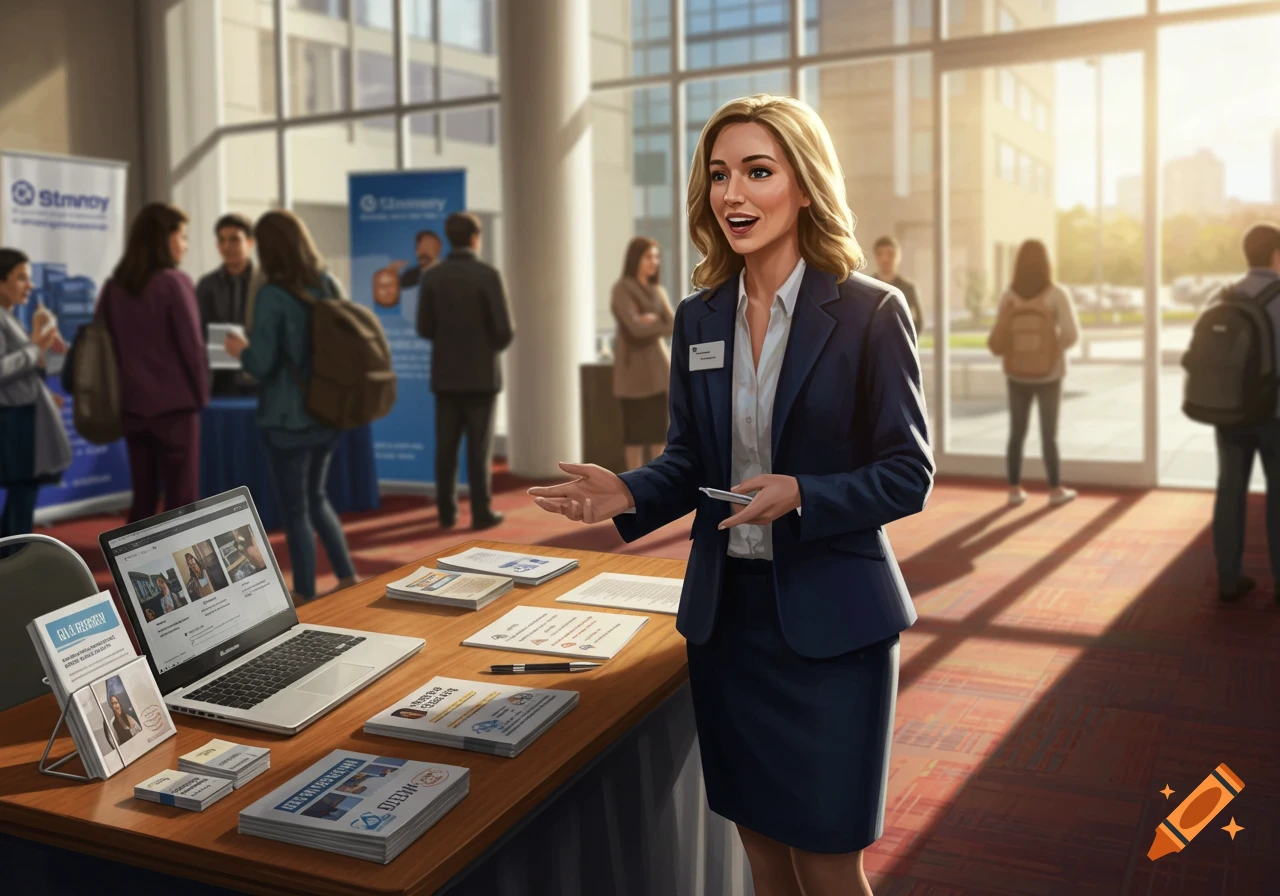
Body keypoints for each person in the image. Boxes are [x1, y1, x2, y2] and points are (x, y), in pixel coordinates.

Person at [529, 94, 933, 896]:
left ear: (805, 186)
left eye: (758, 171)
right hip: (729, 626)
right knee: (762, 858)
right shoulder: (698, 316)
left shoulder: (869, 313)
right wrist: (627, 491)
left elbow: (907, 471)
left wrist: (803, 493)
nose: (733, 194)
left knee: (826, 864)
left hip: (832, 627)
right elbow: (690, 458)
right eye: (719, 175)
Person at [223, 210, 359, 603]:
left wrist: (240, 351)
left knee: (296, 508)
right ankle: (347, 574)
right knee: (317, 497)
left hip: (287, 419)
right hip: (327, 412)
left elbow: (262, 364)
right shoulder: (328, 283)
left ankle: (304, 589)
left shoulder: (272, 294)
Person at [97, 203, 209, 524]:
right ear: (165, 238)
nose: (185, 245)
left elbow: (104, 346)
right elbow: (193, 348)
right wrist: (201, 398)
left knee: (142, 497)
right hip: (175, 410)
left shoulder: (113, 287)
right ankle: (183, 573)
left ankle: (132, 570)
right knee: (181, 499)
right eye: (183, 236)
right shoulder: (175, 282)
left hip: (131, 407)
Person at [416, 212, 515, 530]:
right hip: (482, 377)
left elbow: (424, 327)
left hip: (445, 376)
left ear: (447, 239)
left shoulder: (432, 277)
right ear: (476, 238)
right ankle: (481, 512)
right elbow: (504, 331)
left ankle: (446, 512)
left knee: (445, 448)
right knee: (479, 449)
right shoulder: (488, 275)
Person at [1211, 223, 1280, 603]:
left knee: (1230, 491)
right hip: (1275, 415)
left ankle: (1228, 577)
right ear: (1276, 255)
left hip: (1231, 413)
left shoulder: (1223, 296)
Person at [990, 239, 1079, 508]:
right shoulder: (1056, 294)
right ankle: (1054, 489)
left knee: (1016, 433)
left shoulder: (1009, 296)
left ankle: (1015, 489)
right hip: (1050, 375)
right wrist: (1051, 352)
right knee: (1049, 434)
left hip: (1016, 374)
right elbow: (1072, 334)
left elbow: (1000, 338)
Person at [0, 248, 72, 543]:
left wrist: (40, 346)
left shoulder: (10, 316)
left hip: (24, 414)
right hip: (12, 419)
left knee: (24, 494)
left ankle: (14, 559)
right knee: (21, 493)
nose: (29, 286)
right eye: (21, 279)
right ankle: (13, 562)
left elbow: (25, 368)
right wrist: (35, 345)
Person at [611, 237, 675, 471]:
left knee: (659, 435)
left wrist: (651, 320)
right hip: (633, 377)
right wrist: (654, 321)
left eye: (657, 257)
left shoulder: (658, 291)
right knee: (635, 436)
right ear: (635, 258)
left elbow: (673, 324)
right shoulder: (622, 289)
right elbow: (635, 328)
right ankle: (632, 486)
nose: (654, 262)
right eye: (649, 256)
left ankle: (655, 483)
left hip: (658, 374)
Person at [196, 213, 264, 395]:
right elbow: (198, 333)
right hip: (219, 381)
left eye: (234, 240)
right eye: (222, 240)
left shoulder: (266, 283)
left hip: (260, 380)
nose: (227, 246)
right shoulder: (206, 285)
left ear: (250, 242)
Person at [872, 235, 923, 334]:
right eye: (880, 254)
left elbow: (917, 323)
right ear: (875, 257)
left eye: (890, 254)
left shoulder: (909, 288)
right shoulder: (866, 288)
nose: (885, 259)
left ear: (898, 256)